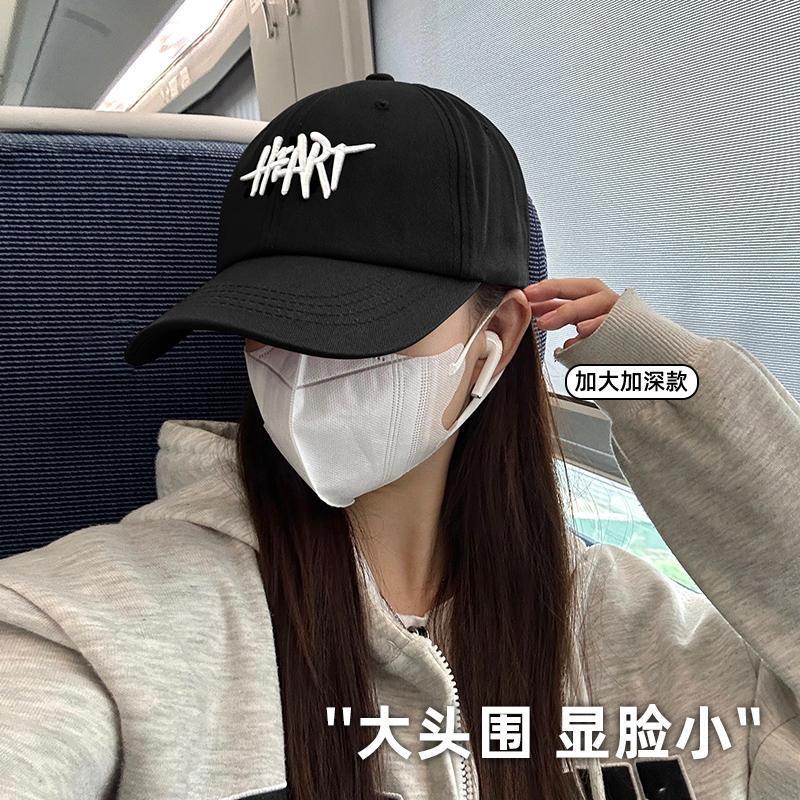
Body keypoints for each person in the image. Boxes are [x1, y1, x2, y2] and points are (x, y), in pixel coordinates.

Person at [0, 75, 797, 800]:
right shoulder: (98, 622)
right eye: (266, 325)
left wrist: (675, 384)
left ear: (495, 341)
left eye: (358, 326)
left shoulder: (633, 629)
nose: (301, 372)